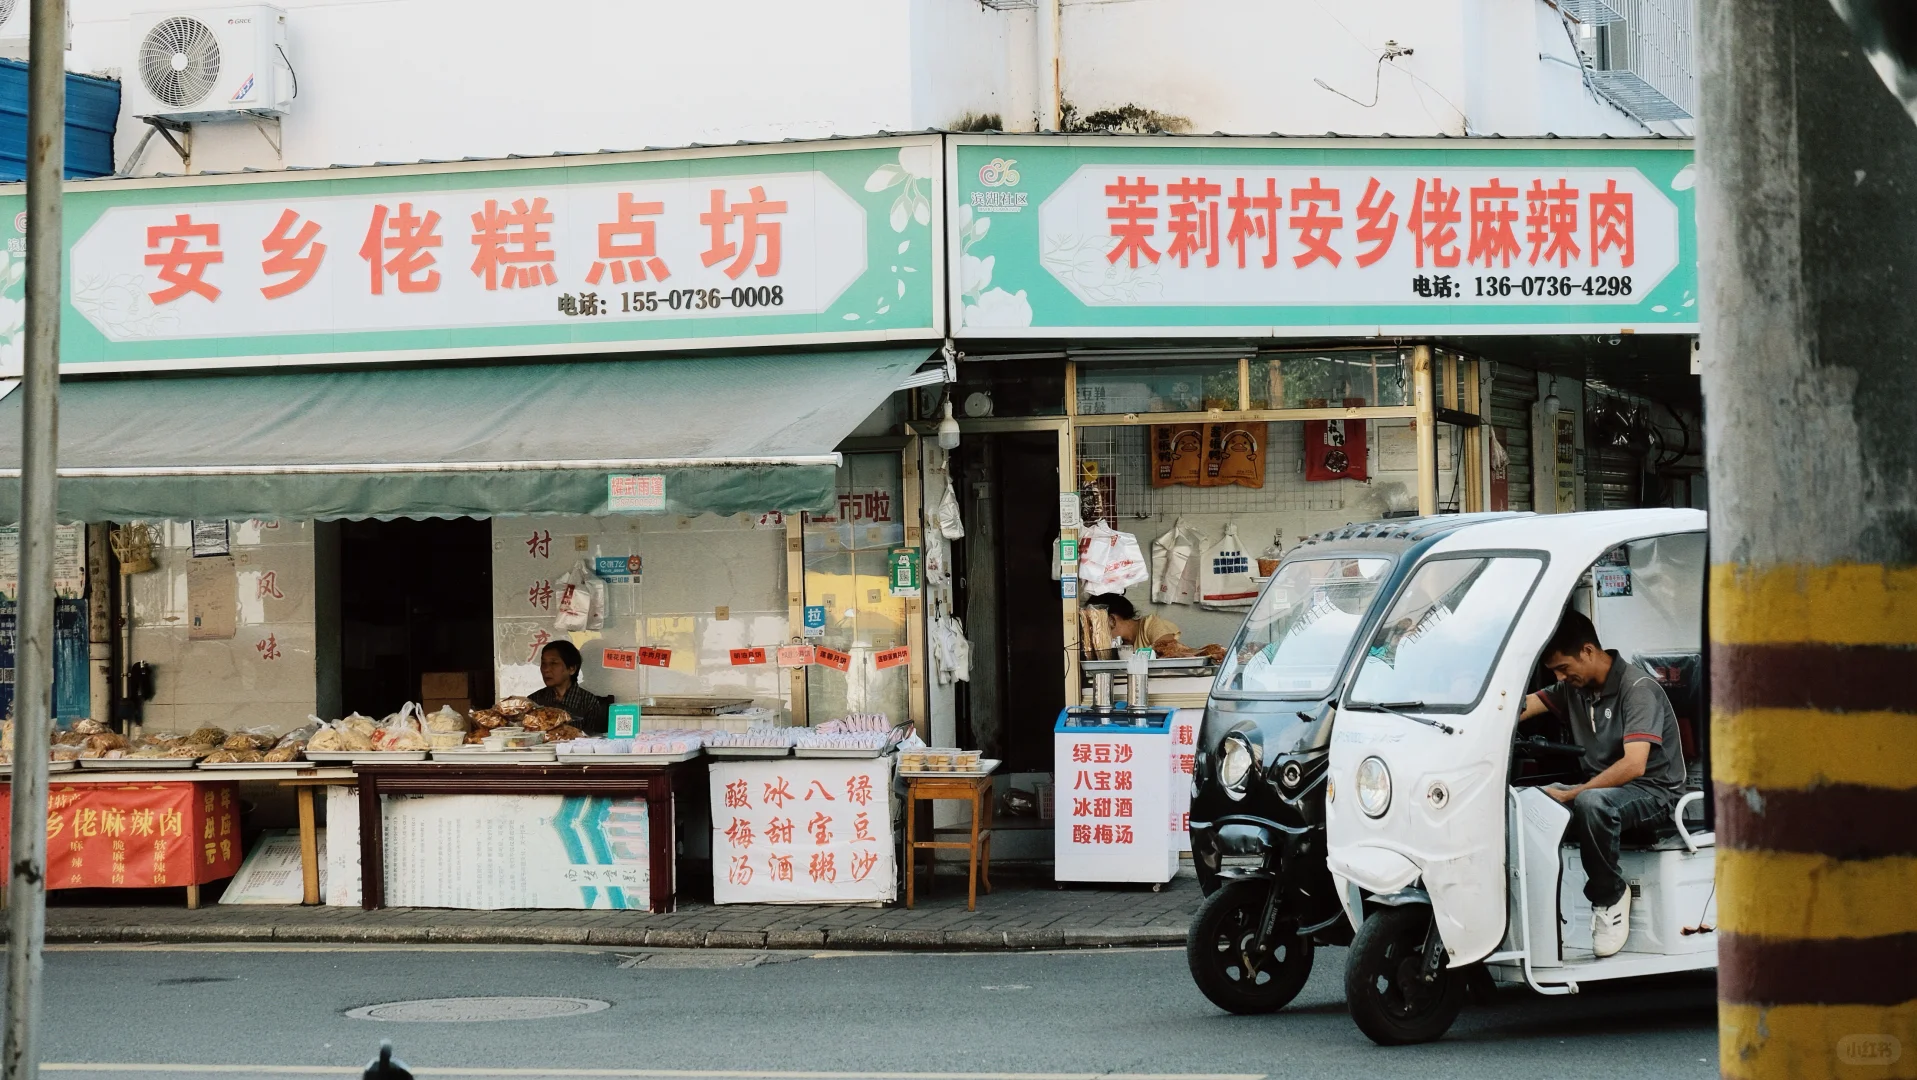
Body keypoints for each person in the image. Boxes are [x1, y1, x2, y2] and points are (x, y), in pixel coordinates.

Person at [1519, 609, 1687, 958]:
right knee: (1526, 800)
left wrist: (1575, 793)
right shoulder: (1573, 689)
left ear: (1588, 652)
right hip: (1606, 791)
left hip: (1655, 794)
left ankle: (1609, 896)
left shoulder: (1638, 689)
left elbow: (1634, 765)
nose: (1561, 677)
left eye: (1564, 668)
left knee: (1590, 803)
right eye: (1555, 673)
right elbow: (1525, 706)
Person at [1082, 593, 1225, 661]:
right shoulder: (1121, 645)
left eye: (1093, 624)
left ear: (1112, 620)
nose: (1092, 631)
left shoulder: (1150, 624)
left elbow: (1169, 651)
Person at [530, 640, 610, 735]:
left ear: (572, 669)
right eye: (544, 663)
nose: (546, 669)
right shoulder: (534, 700)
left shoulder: (589, 702)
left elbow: (593, 740)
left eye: (554, 663)